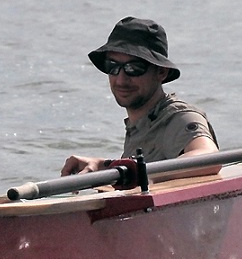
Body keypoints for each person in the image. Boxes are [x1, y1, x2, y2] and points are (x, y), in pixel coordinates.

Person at [62, 16, 218, 176]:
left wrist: (139, 173)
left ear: (161, 72)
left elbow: (209, 158)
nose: (121, 80)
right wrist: (104, 165)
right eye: (113, 66)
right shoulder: (140, 124)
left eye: (134, 68)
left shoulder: (178, 118)